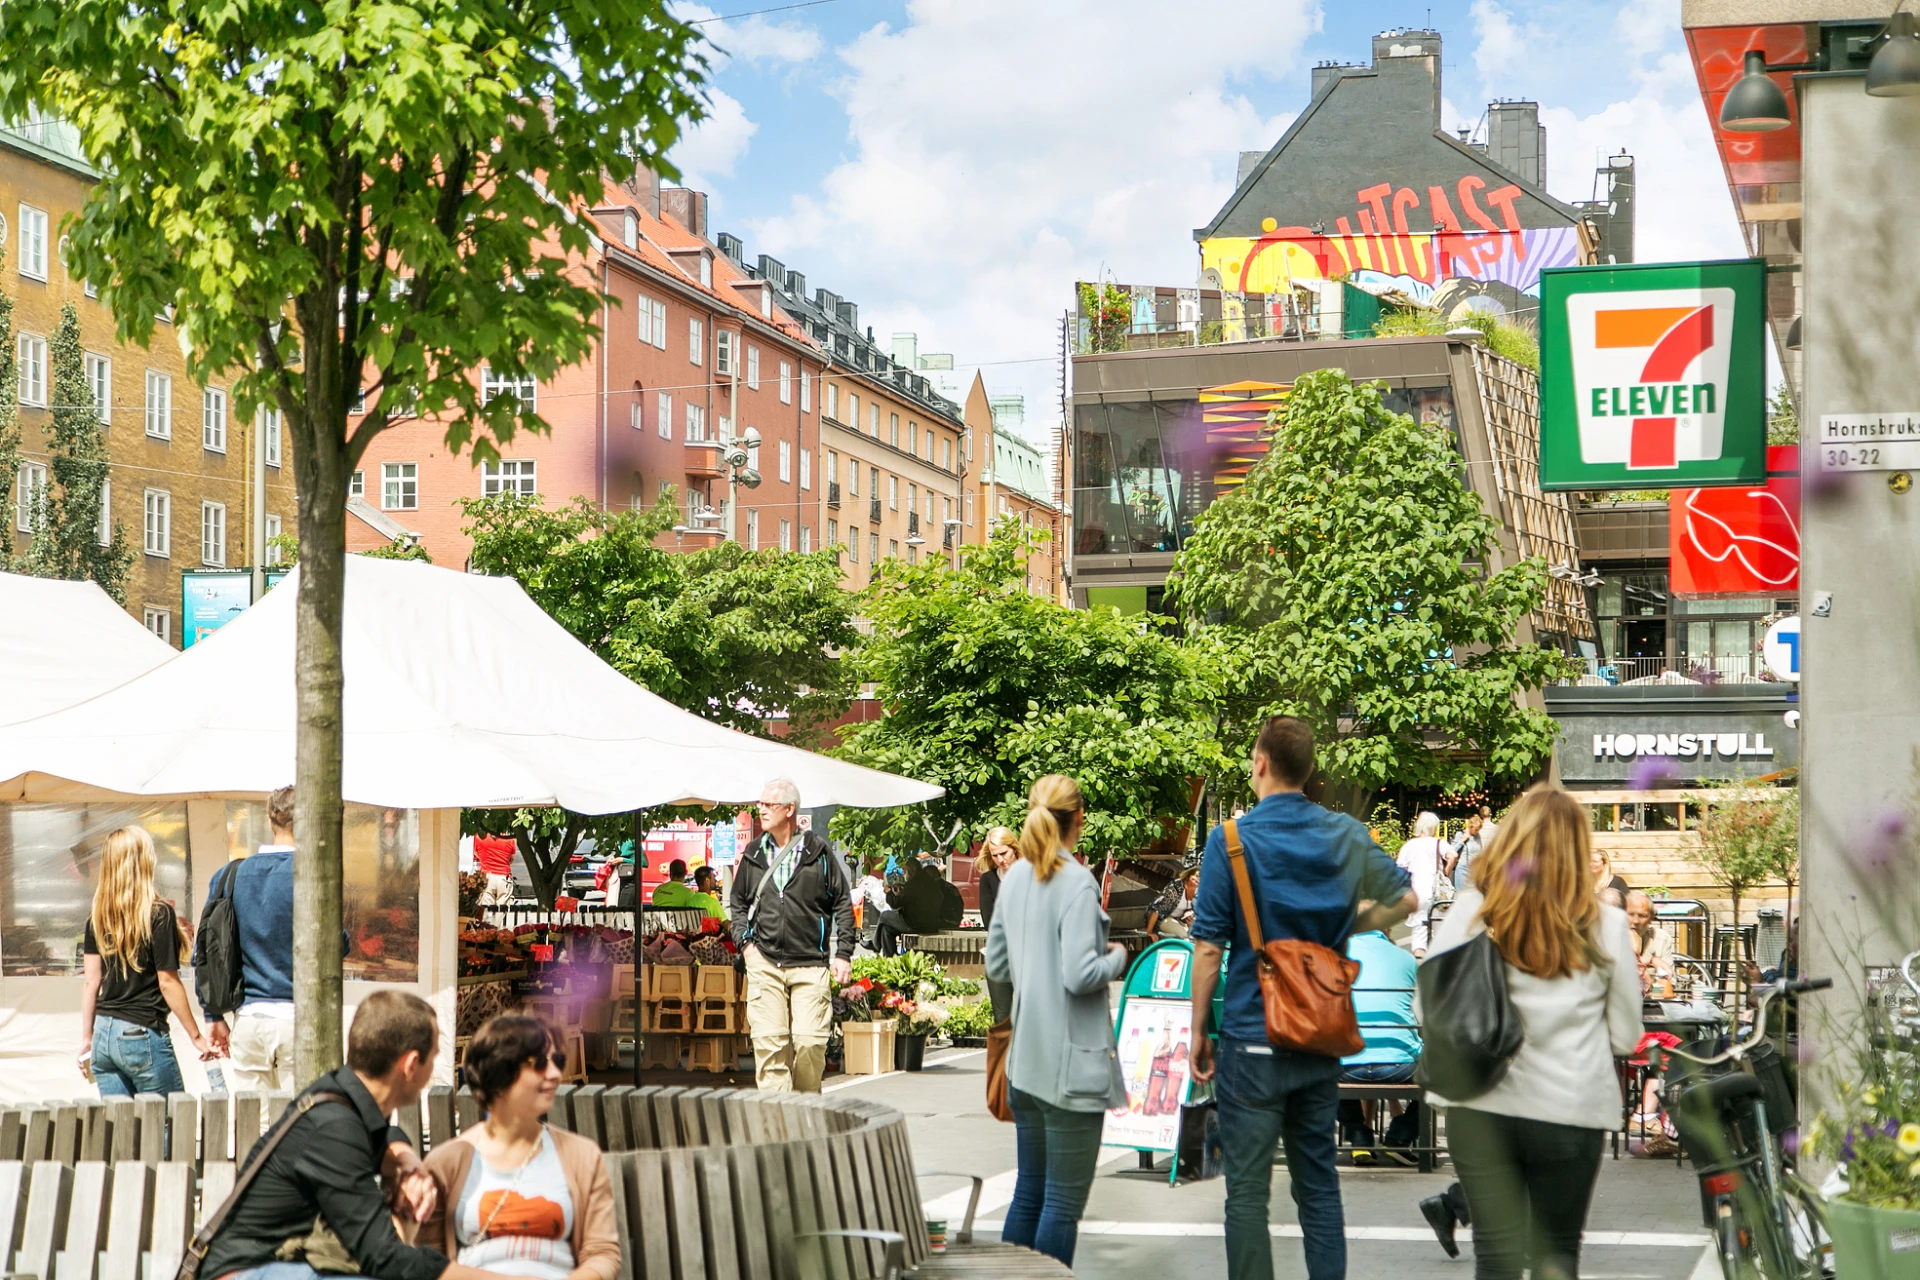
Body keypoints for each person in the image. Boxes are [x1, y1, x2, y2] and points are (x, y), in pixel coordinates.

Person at [1189, 716, 1416, 1280]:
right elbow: (1407, 899)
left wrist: (1198, 1031)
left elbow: (1209, 950)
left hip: (1251, 1038)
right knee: (1319, 1190)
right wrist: (1349, 923)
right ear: (1310, 770)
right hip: (1319, 1036)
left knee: (1246, 1194)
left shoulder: (1231, 841)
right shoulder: (1344, 833)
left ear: (1261, 763)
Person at [1420, 786, 1642, 1280]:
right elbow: (1627, 1036)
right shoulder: (1604, 924)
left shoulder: (1471, 912)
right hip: (1570, 1108)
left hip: (1478, 1107)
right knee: (1557, 1254)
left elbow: (1427, 1004)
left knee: (1495, 1259)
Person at [198, 990, 499, 1280]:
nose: (432, 1070)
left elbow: (384, 1136)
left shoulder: (339, 1097)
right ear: (410, 1065)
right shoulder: (335, 1127)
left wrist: (408, 1161)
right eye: (432, 1058)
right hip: (244, 1271)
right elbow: (384, 1258)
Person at [983, 774, 1129, 1267]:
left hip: (1025, 1062)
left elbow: (997, 966)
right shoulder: (1077, 883)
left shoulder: (1017, 877)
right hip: (1073, 1068)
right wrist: (1118, 957)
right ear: (1079, 820)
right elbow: (1081, 973)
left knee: (1028, 1194)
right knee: (1062, 1207)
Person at [422, 1014, 620, 1280]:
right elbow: (426, 1260)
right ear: (500, 1070)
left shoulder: (581, 1156)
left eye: (557, 1061)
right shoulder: (446, 1163)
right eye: (538, 1063)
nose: (554, 1074)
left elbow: (603, 1253)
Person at [728, 778, 854, 1093]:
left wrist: (843, 953)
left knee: (810, 1043)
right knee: (770, 1047)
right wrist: (746, 945)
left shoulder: (818, 852)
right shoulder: (754, 851)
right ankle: (780, 1124)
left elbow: (842, 901)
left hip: (810, 962)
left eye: (768, 805)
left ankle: (805, 1105)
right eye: (759, 804)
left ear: (789, 809)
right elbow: (738, 902)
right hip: (765, 962)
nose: (760, 811)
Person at [80, 825, 209, 1096]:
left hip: (103, 1035)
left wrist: (86, 1038)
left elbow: (91, 982)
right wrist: (196, 1036)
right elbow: (168, 983)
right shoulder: (159, 914)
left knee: (122, 1130)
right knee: (168, 1123)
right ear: (144, 861)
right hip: (141, 1031)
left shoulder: (98, 916)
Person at [199, 786, 301, 1093]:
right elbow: (337, 945)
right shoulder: (313, 875)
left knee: (252, 1126)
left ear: (271, 821)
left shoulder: (229, 875)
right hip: (299, 1019)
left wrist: (212, 1014)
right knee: (301, 1124)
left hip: (248, 1019)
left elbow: (205, 949)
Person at [1338, 929, 1422, 1167]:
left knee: (1320, 1074)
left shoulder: (1333, 956)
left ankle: (1358, 1135)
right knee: (1445, 1077)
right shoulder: (1406, 958)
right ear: (1386, 929)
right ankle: (1400, 1136)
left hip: (1346, 1066)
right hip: (1399, 1066)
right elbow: (1421, 1012)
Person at [974, 828, 1018, 1024]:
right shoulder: (989, 880)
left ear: (1014, 849)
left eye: (1004, 853)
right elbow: (989, 920)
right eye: (995, 855)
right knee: (1002, 1018)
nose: (1001, 859)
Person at [1396, 812, 1450, 957]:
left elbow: (1400, 868)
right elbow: (1453, 855)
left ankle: (1419, 952)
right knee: (1438, 919)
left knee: (1419, 922)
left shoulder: (1409, 845)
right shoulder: (1439, 843)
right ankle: (1438, 951)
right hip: (1435, 888)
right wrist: (1446, 870)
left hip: (1416, 888)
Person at [1146, 868, 1199, 939]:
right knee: (1184, 936)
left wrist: (1190, 915)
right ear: (1188, 877)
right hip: (1163, 918)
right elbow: (1157, 908)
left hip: (1180, 920)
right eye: (1194, 878)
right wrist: (1150, 932)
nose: (1197, 881)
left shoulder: (1199, 892)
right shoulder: (1175, 888)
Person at [1444, 813, 1487, 893]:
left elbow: (1480, 851)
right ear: (1470, 827)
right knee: (1461, 894)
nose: (1477, 831)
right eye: (1476, 829)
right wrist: (1463, 840)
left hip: (1474, 869)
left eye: (1479, 829)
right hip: (1463, 869)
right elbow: (1452, 851)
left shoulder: (1477, 836)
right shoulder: (1460, 835)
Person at [474, 835, 517, 907]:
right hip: (503, 877)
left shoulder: (479, 836)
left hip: (486, 877)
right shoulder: (509, 838)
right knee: (503, 910)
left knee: (486, 910)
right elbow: (511, 858)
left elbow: (476, 853)